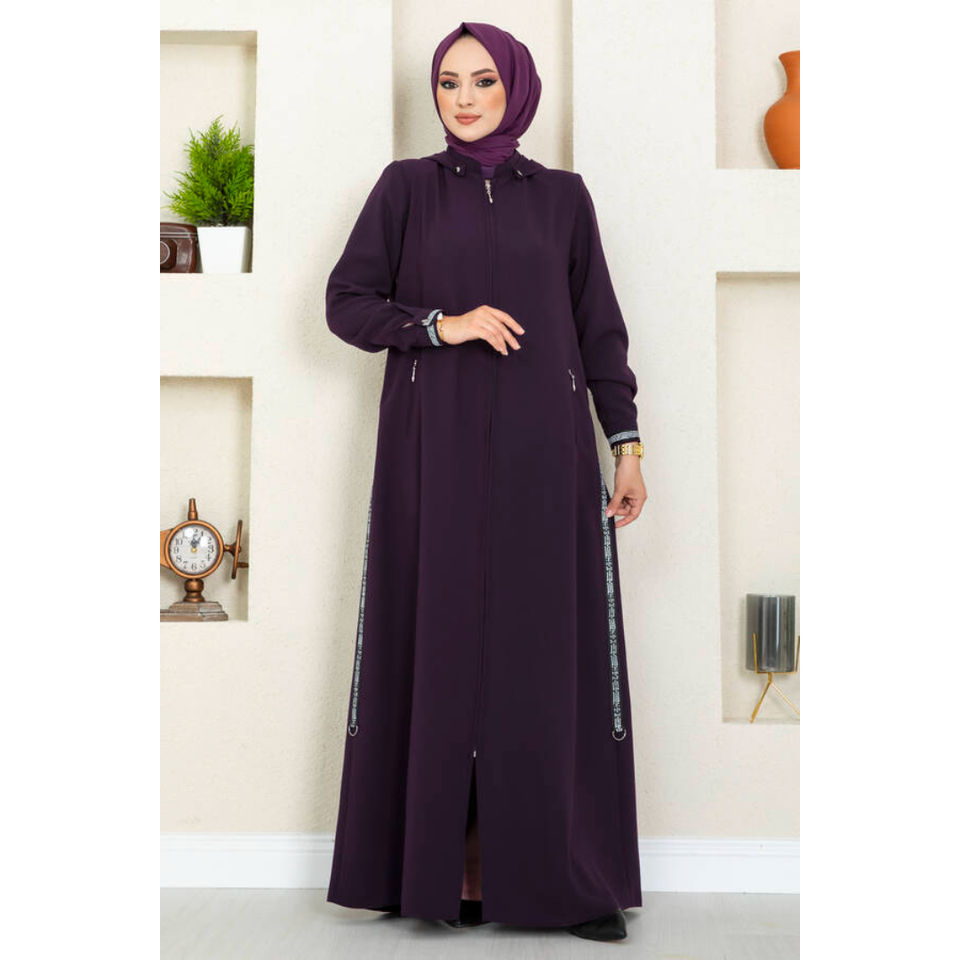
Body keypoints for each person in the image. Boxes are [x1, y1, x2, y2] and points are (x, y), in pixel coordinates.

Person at [324, 21, 647, 943]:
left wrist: (626, 445)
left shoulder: (563, 199)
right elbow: (347, 303)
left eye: (483, 82)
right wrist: (443, 324)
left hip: (548, 453)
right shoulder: (406, 189)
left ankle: (563, 879)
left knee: (543, 657)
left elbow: (599, 330)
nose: (463, 99)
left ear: (516, 89)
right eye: (448, 83)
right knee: (439, 644)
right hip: (434, 447)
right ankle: (436, 874)